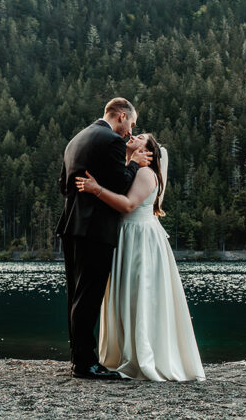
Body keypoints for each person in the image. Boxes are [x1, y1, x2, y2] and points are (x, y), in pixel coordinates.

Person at [75, 133, 206, 382]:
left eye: (142, 136)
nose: (134, 134)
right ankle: (124, 351)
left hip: (140, 238)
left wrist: (96, 189)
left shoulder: (145, 173)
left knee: (139, 295)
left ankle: (142, 356)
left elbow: (126, 205)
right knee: (128, 294)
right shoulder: (130, 168)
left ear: (148, 151)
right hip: (127, 235)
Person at [56, 98, 151, 380]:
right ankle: (86, 366)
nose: (130, 132)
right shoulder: (111, 140)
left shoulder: (76, 139)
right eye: (131, 124)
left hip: (71, 226)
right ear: (121, 116)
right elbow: (122, 185)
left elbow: (64, 186)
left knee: (76, 295)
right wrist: (133, 162)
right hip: (95, 229)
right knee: (89, 297)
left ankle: (79, 359)